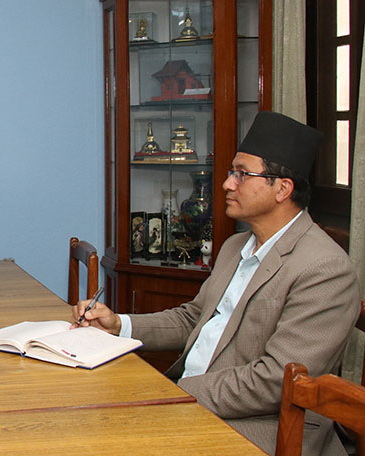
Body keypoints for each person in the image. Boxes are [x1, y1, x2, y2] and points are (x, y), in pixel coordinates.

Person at [73, 111, 359, 456]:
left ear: (282, 189)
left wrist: (174, 393)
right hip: (194, 400)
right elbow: (194, 318)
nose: (227, 184)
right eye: (230, 173)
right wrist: (119, 324)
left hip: (265, 427)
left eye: (242, 174)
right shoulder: (236, 246)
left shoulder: (324, 269)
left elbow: (275, 381)